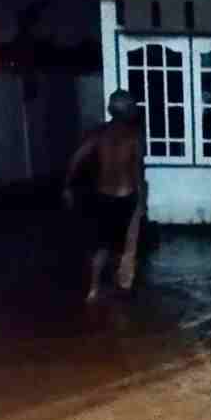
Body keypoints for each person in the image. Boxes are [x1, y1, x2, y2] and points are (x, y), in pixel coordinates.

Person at [63, 90, 146, 302]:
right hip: (126, 196)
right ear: (127, 111)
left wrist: (68, 185)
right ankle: (122, 287)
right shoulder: (133, 135)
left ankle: (93, 289)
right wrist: (142, 200)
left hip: (102, 196)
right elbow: (137, 169)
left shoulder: (98, 133)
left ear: (111, 110)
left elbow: (76, 159)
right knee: (124, 247)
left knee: (101, 245)